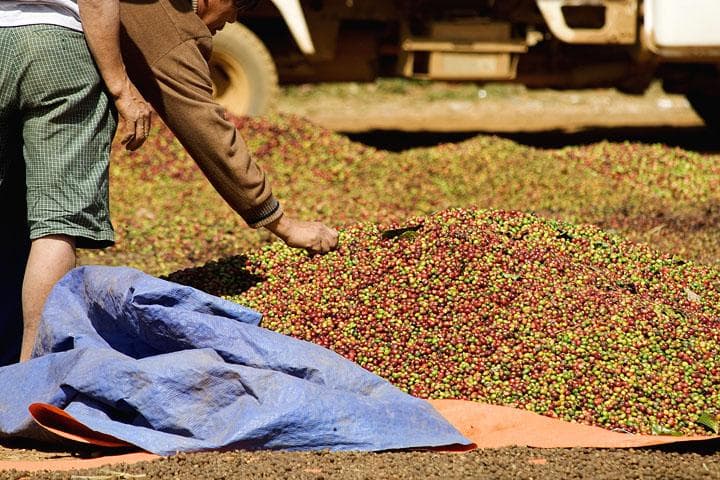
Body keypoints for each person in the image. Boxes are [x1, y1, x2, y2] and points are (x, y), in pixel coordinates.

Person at [0, 0, 338, 365]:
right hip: (56, 50)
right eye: (237, 9)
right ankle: (31, 381)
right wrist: (281, 223)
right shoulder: (167, 19)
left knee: (12, 212)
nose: (230, 22)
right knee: (56, 225)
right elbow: (202, 124)